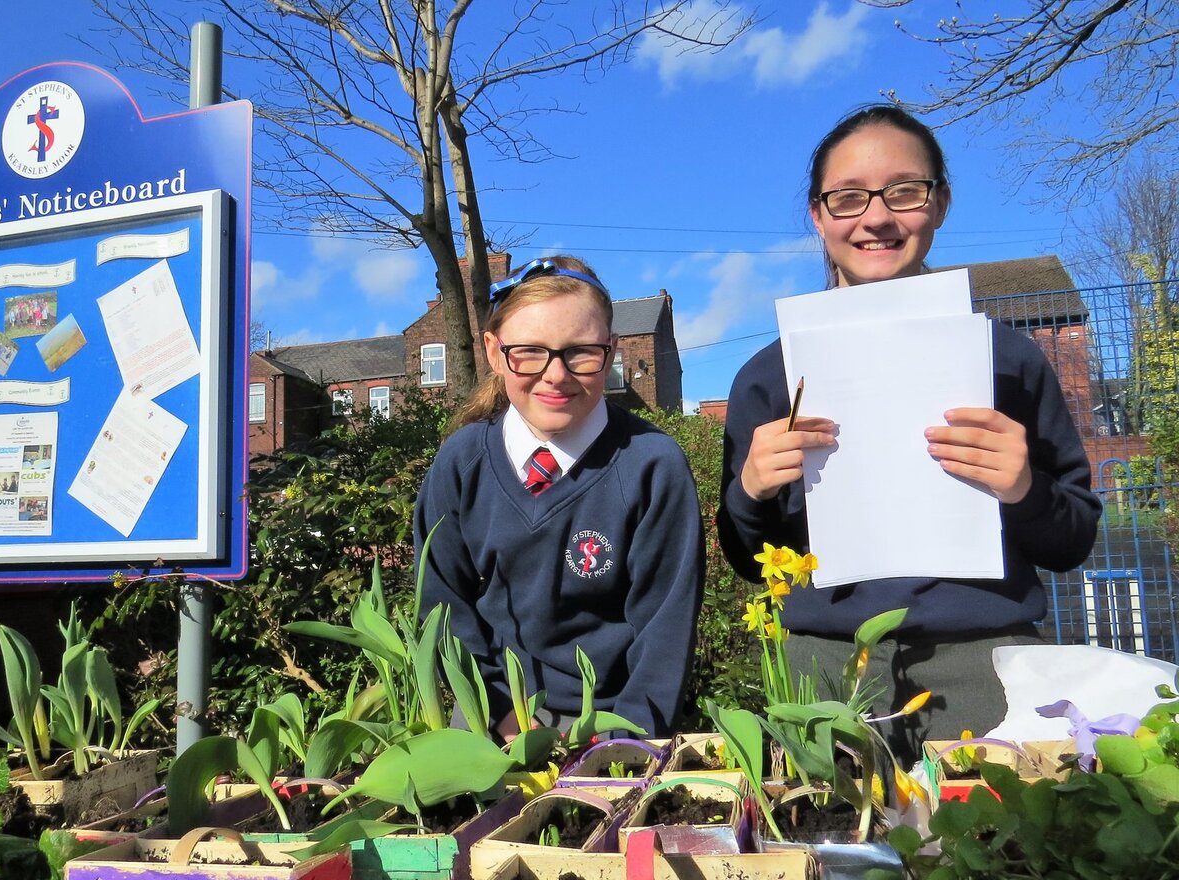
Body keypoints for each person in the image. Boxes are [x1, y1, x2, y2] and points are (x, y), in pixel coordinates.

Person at [717, 105, 1100, 765]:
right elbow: (749, 559)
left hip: (987, 670)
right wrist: (749, 491)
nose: (876, 217)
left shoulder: (1009, 361)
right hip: (824, 676)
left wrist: (1026, 490)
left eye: (904, 191)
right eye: (847, 198)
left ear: (940, 203)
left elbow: (1072, 541)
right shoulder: (767, 378)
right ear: (818, 216)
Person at [415, 255, 704, 739]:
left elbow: (665, 628)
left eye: (581, 352)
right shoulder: (462, 461)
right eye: (529, 352)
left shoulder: (653, 465)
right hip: (494, 722)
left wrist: (624, 742)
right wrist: (493, 709)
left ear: (610, 352)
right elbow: (442, 604)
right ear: (493, 350)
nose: (555, 374)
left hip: (617, 721)